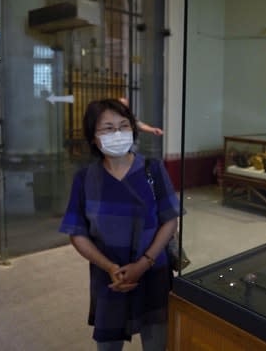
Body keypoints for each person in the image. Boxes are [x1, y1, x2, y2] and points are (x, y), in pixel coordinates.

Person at [59, 98, 179, 350]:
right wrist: (111, 267)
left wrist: (143, 263)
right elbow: (77, 233)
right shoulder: (85, 179)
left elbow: (169, 221)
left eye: (124, 126)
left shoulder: (152, 169)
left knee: (157, 341)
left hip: (152, 271)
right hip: (110, 277)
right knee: (108, 343)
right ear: (93, 137)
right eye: (108, 128)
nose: (118, 133)